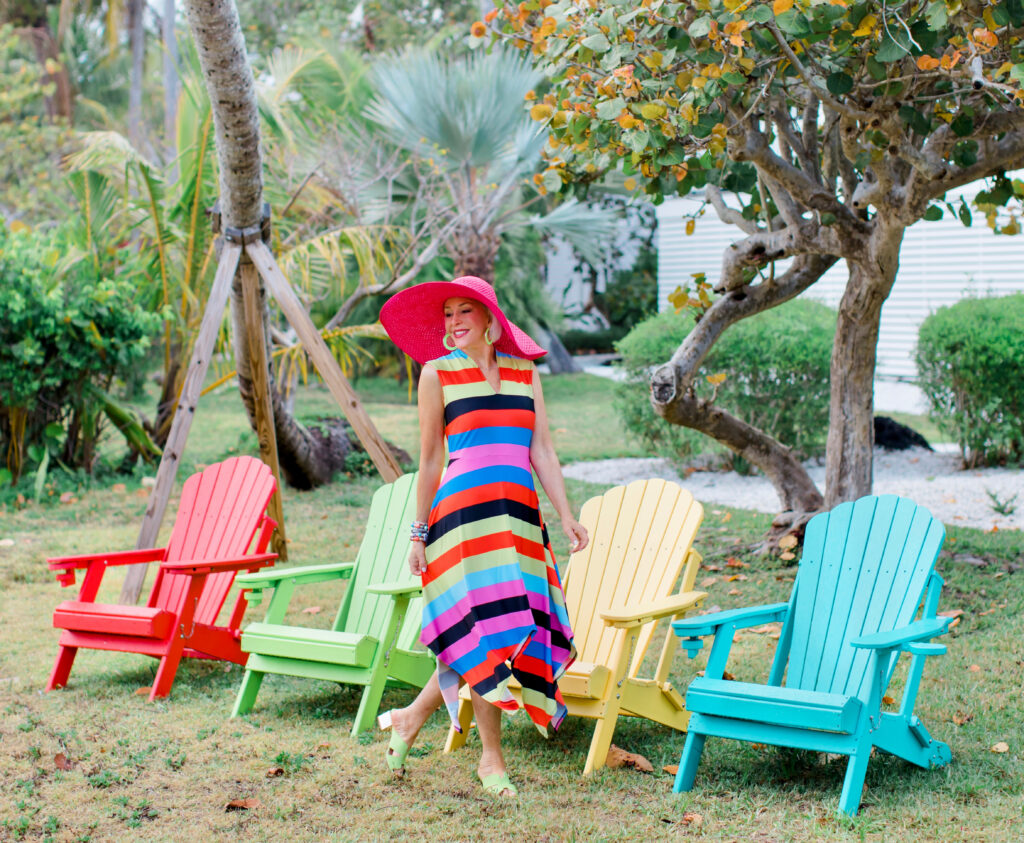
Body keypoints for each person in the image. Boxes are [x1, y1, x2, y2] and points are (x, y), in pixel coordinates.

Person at [376, 276, 589, 797]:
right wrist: (418, 534)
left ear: (491, 319)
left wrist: (565, 515)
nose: (452, 323)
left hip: (516, 519)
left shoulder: (524, 371)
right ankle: (491, 761)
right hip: (461, 521)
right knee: (490, 632)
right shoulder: (437, 375)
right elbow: (429, 461)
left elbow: (541, 450)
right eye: (447, 314)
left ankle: (411, 717)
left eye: (463, 311)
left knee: (487, 631)